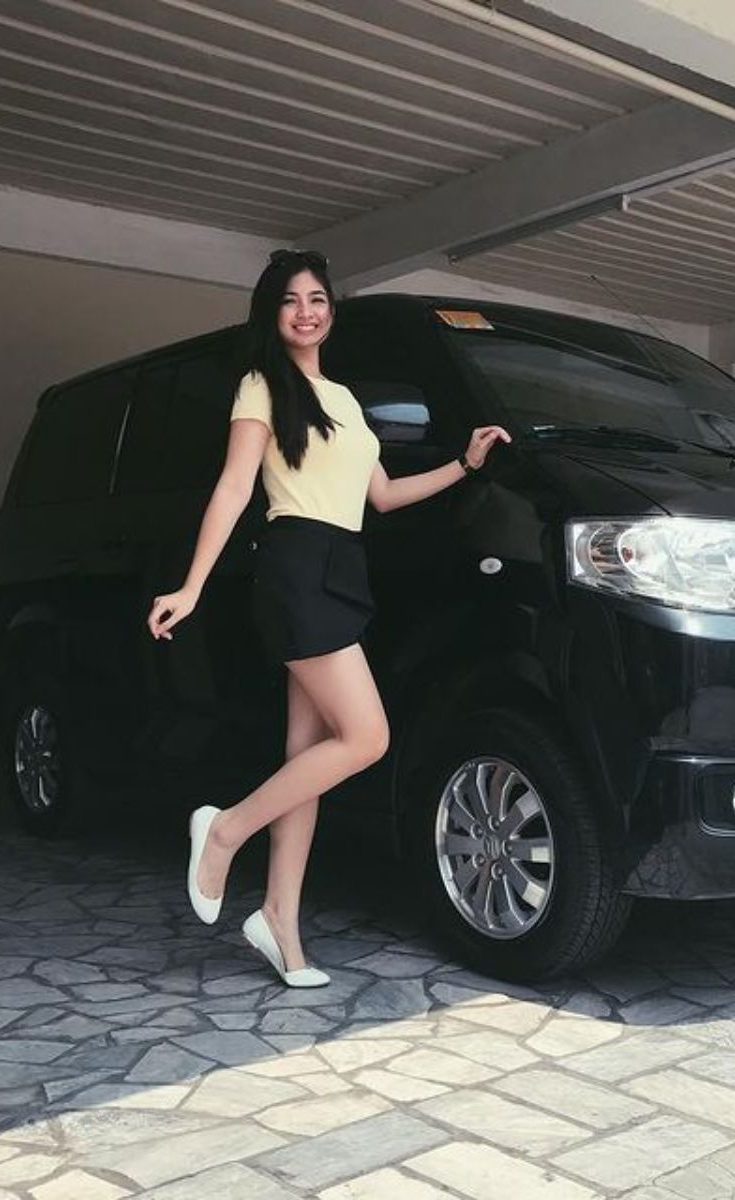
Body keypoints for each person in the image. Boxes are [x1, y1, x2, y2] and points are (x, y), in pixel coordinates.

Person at [146, 249, 510, 987]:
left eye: (317, 299)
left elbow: (382, 497)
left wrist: (464, 466)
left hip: (342, 566)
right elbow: (234, 487)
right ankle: (224, 830)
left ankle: (280, 924)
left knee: (306, 757)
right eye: (290, 300)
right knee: (367, 736)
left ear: (331, 311)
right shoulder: (261, 386)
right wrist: (192, 585)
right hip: (297, 566)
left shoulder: (343, 398)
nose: (306, 312)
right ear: (272, 314)